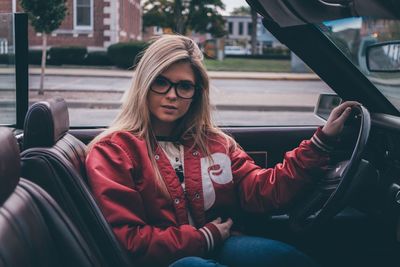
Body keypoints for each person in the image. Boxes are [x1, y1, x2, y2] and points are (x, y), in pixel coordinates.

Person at [85, 34, 358, 267]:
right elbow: (130, 239)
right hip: (166, 261)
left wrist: (321, 142)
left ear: (196, 93)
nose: (171, 95)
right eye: (160, 81)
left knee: (286, 258)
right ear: (144, 85)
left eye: (184, 86)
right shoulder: (113, 151)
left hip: (223, 244)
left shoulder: (215, 143)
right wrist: (205, 237)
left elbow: (264, 191)